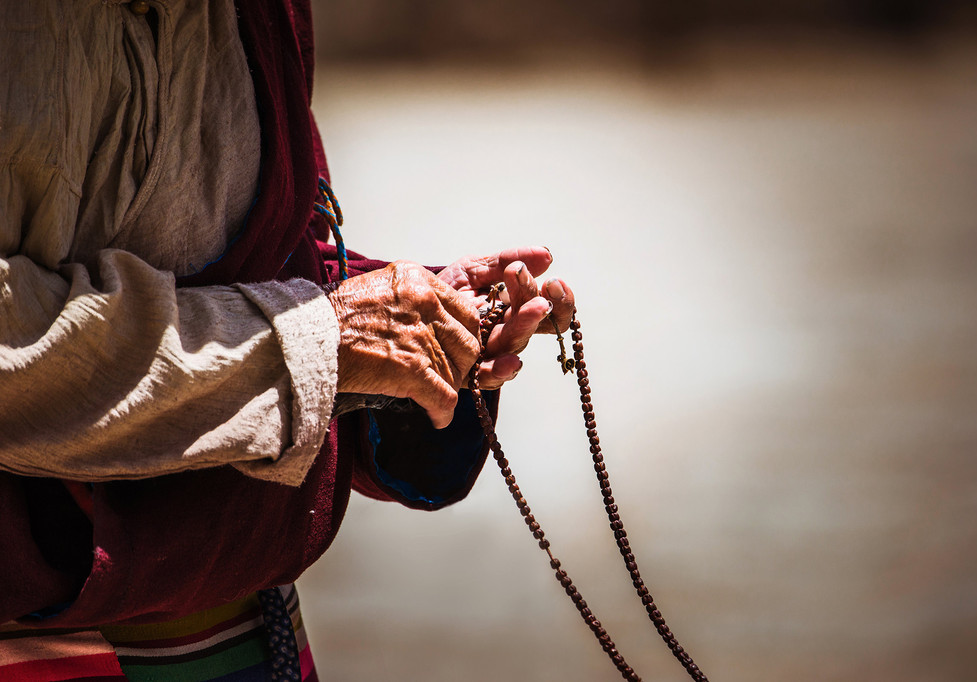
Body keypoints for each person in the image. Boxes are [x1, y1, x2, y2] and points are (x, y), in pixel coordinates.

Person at [0, 1, 574, 679]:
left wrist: (409, 336)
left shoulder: (260, 14)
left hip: (237, 621)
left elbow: (272, 262)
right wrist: (319, 342)